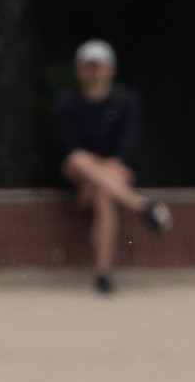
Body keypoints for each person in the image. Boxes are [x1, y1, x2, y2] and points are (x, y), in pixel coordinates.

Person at [55, 39, 172, 295]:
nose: (94, 72)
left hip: (113, 176)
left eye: (99, 66)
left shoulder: (127, 101)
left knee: (104, 197)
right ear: (79, 70)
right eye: (89, 66)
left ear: (111, 69)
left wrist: (99, 176)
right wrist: (96, 171)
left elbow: (126, 150)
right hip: (78, 173)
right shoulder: (67, 102)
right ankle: (142, 206)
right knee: (78, 160)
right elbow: (69, 149)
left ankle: (103, 274)